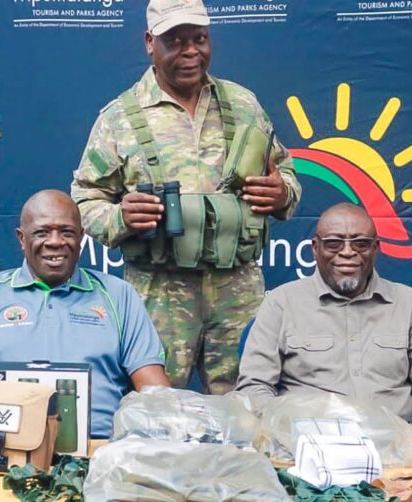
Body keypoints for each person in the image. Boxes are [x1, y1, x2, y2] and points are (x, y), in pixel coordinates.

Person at [71, 0, 302, 394]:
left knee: (249, 406)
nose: (191, 51)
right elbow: (83, 201)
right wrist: (120, 217)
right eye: (175, 41)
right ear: (150, 43)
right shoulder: (120, 117)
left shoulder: (243, 105)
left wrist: (282, 194)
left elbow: (287, 177)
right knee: (156, 415)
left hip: (238, 290)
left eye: (199, 39)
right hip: (159, 294)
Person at [0, 190, 170, 437]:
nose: (55, 241)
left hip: (101, 453)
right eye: (42, 232)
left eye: (67, 232)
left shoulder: (119, 295)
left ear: (81, 238)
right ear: (22, 239)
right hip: (2, 451)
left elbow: (153, 389)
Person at [233, 203, 412, 419]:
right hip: (307, 443)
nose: (348, 252)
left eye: (361, 243)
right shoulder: (281, 303)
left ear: (375, 248)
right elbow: (254, 388)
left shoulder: (409, 303)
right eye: (333, 244)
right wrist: (286, 432)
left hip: (396, 442)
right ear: (315, 248)